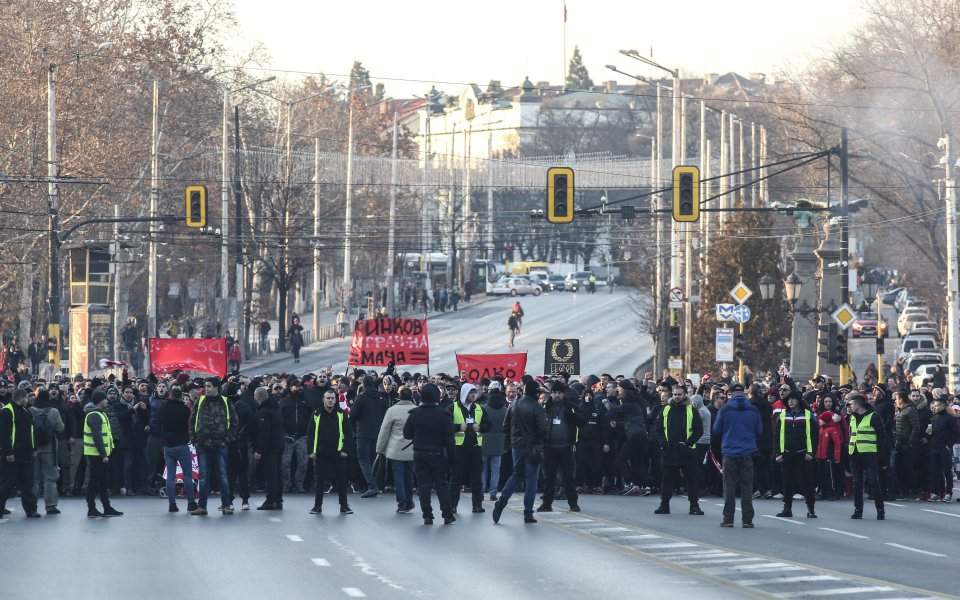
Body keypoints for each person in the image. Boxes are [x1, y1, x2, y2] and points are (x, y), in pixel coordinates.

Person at [492, 379, 548, 524]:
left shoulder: (514, 404)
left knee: (516, 474)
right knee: (531, 480)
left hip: (516, 447)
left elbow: (505, 426)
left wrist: (513, 440)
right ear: (535, 393)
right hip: (533, 447)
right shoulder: (537, 407)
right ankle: (528, 513)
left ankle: (501, 501)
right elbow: (543, 429)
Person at [403, 383, 457, 525]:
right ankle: (447, 514)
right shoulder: (444, 414)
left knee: (423, 485)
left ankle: (427, 515)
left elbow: (406, 434)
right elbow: (450, 440)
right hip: (438, 453)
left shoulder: (415, 414)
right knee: (441, 484)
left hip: (419, 453)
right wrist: (452, 459)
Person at [713, 383, 762, 528]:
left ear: (731, 394)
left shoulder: (725, 409)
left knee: (729, 487)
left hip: (729, 452)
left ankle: (728, 519)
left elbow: (716, 430)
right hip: (747, 452)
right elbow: (759, 431)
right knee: (747, 487)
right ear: (745, 394)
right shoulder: (753, 410)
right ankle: (747, 520)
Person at [189, 377, 236, 516]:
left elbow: (234, 423)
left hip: (221, 444)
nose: (206, 389)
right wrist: (194, 439)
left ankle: (226, 505)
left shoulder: (226, 402)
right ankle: (202, 506)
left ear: (216, 388)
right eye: (205, 386)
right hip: (202, 445)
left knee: (222, 475)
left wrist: (226, 440)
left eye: (209, 386)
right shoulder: (200, 401)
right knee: (203, 477)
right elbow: (191, 421)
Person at [654, 385, 704, 516]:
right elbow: (658, 429)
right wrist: (663, 444)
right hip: (669, 450)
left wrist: (688, 443)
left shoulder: (691, 410)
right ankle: (664, 505)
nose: (677, 397)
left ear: (685, 395)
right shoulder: (665, 410)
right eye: (675, 394)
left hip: (686, 451)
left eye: (679, 395)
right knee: (666, 480)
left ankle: (694, 506)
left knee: (691, 480)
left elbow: (699, 430)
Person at [536, 381, 585, 513]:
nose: (557, 395)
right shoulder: (545, 407)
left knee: (569, 477)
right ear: (551, 394)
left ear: (563, 394)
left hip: (566, 447)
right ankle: (547, 503)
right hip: (549, 447)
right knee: (548, 478)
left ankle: (573, 504)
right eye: (555, 393)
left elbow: (583, 420)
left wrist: (573, 417)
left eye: (559, 393)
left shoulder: (571, 407)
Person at [773, 391, 819, 519]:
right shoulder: (782, 415)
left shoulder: (808, 415)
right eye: (789, 400)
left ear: (799, 401)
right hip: (786, 454)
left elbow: (815, 436)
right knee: (787, 482)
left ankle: (811, 509)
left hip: (803, 454)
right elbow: (776, 436)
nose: (790, 402)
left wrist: (811, 453)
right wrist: (777, 453)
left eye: (793, 399)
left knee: (807, 482)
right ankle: (787, 509)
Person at [308, 389, 354, 515]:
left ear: (335, 400)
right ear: (323, 400)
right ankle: (317, 506)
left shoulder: (341, 414)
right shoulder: (317, 414)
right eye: (327, 398)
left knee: (341, 480)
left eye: (332, 398)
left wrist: (345, 450)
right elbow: (310, 434)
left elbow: (349, 433)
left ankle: (344, 506)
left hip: (338, 453)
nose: (330, 400)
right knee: (320, 481)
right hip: (321, 453)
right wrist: (311, 451)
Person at [0, 389, 40, 518]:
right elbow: (4, 435)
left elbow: (31, 433)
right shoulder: (7, 411)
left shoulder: (26, 412)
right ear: (21, 398)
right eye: (26, 398)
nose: (28, 400)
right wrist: (8, 452)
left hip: (26, 455)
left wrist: (34, 449)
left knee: (28, 484)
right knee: (6, 484)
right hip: (12, 455)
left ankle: (31, 509)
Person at [82, 390, 122, 518]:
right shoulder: (95, 415)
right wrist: (104, 454)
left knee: (103, 482)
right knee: (94, 482)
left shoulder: (99, 414)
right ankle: (92, 508)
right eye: (105, 399)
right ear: (100, 400)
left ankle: (106, 507)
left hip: (100, 453)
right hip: (96, 455)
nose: (107, 401)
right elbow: (97, 437)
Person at [376, 386, 416, 513]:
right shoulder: (416, 410)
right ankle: (409, 501)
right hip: (412, 449)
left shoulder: (392, 410)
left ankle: (401, 504)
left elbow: (384, 431)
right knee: (409, 475)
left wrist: (380, 448)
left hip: (395, 449)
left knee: (398, 477)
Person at [448, 382, 486, 513]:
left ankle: (477, 505)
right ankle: (452, 505)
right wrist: (458, 427)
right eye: (471, 393)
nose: (474, 395)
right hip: (459, 448)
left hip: (475, 447)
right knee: (456, 478)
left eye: (475, 393)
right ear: (464, 393)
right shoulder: (453, 407)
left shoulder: (479, 408)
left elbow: (489, 425)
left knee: (476, 478)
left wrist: (480, 427)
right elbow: (445, 426)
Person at [847, 392, 886, 520]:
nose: (849, 406)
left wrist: (882, 457)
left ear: (858, 405)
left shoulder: (873, 416)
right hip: (854, 453)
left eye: (851, 404)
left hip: (869, 453)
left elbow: (882, 437)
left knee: (873, 481)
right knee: (857, 483)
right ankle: (858, 510)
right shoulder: (852, 417)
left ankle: (880, 510)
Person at [159, 387, 196, 513]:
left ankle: (172, 504)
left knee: (170, 476)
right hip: (182, 445)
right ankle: (191, 503)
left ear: (170, 395)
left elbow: (159, 422)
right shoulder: (185, 410)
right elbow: (191, 424)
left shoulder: (164, 409)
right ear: (180, 397)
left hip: (168, 446)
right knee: (187, 475)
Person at [30, 387, 65, 514]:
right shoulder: (53, 411)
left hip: (33, 449)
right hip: (49, 449)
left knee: (34, 478)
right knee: (50, 478)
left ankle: (32, 506)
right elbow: (60, 428)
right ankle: (50, 505)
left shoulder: (30, 410)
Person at [352, 375, 388, 498]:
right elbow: (385, 416)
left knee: (363, 460)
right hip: (378, 433)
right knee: (373, 460)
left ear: (363, 384)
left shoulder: (360, 398)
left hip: (363, 433)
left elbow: (353, 415)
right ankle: (375, 485)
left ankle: (372, 486)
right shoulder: (382, 398)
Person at [254, 386, 284, 510]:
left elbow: (263, 433)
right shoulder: (276, 408)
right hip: (279, 444)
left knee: (271, 474)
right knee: (277, 474)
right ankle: (278, 499)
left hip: (270, 447)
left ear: (258, 397)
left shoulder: (263, 412)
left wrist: (259, 450)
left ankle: (270, 500)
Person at [481, 381, 509, 501]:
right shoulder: (505, 410)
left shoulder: (483, 409)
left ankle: (482, 489)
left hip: (484, 440)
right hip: (499, 441)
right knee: (496, 469)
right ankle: (493, 492)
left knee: (482, 468)